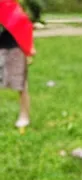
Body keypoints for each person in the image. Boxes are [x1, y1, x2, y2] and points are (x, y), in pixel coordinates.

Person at [0, 1, 35, 130]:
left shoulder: (12, 10)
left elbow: (25, 27)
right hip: (2, 45)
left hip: (16, 47)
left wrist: (29, 50)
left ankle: (24, 116)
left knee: (20, 84)